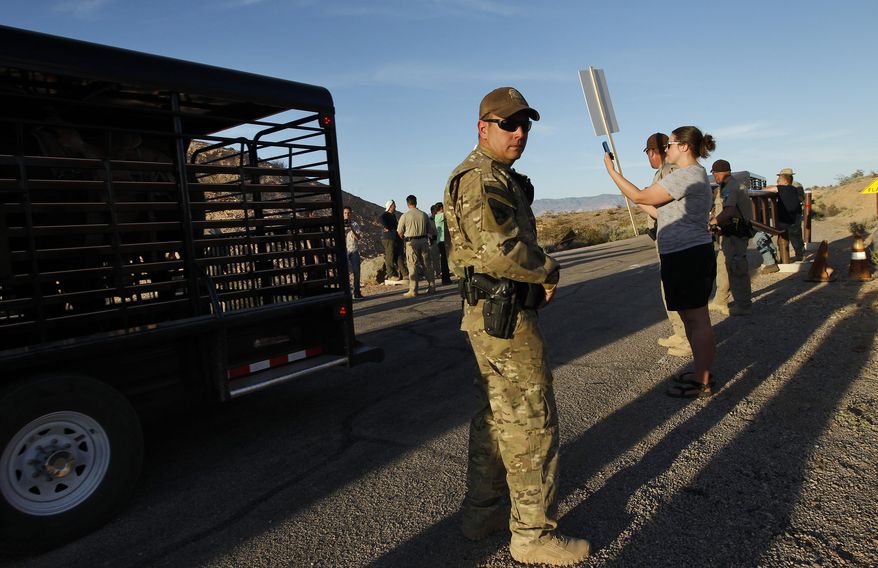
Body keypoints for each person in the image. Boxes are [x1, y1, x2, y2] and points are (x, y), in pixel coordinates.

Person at [444, 86, 590, 565]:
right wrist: (548, 269)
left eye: (524, 123)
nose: (520, 132)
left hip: (491, 315)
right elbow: (499, 251)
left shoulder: (494, 176)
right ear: (483, 127)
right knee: (530, 422)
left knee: (494, 418)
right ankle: (533, 536)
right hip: (503, 316)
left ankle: (481, 514)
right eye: (509, 124)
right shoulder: (482, 178)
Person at [604, 125, 717, 398]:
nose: (667, 148)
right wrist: (629, 194)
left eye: (671, 144)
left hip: (688, 255)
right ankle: (700, 371)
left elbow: (642, 196)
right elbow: (656, 212)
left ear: (684, 147)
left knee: (698, 318)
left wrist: (612, 172)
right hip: (681, 255)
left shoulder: (688, 175)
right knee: (690, 318)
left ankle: (702, 380)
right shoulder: (687, 175)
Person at [643, 133, 689, 357]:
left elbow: (662, 209)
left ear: (653, 152)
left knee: (676, 287)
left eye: (649, 153)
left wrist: (639, 199)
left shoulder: (669, 173)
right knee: (670, 287)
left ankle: (686, 338)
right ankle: (680, 332)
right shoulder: (665, 172)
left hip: (673, 238)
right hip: (669, 237)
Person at [708, 160, 752, 316]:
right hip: (728, 234)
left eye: (713, 174)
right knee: (723, 265)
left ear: (717, 173)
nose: (714, 177)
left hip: (735, 234)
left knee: (737, 268)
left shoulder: (730, 187)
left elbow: (729, 211)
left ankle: (744, 305)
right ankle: (720, 299)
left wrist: (712, 222)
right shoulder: (729, 186)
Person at [397, 194, 436, 298]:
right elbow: (430, 230)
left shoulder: (405, 216)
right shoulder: (424, 215)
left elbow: (400, 232)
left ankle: (413, 289)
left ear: (407, 203)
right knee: (427, 264)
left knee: (412, 265)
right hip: (423, 240)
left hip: (411, 242)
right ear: (416, 202)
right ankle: (432, 286)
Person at [764, 168, 805, 261]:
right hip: (794, 214)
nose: (778, 179)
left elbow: (800, 198)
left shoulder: (788, 186)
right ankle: (798, 255)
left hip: (789, 215)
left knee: (791, 236)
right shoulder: (796, 186)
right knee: (796, 236)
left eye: (780, 177)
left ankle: (786, 257)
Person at [379, 200, 408, 281]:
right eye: (394, 206)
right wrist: (386, 226)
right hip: (388, 238)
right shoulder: (385, 215)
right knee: (390, 256)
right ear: (390, 206)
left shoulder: (393, 216)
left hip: (395, 238)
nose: (395, 207)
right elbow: (381, 218)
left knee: (399, 256)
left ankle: (405, 274)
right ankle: (391, 275)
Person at [342, 206, 364, 299]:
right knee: (344, 273)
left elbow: (358, 238)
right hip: (344, 251)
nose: (347, 215)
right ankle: (345, 293)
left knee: (357, 272)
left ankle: (357, 292)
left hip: (354, 250)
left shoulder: (355, 224)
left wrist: (351, 228)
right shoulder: (339, 224)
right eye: (345, 213)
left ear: (351, 214)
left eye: (348, 213)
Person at [433, 201, 453, 284]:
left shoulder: (436, 216)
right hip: (443, 241)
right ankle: (446, 279)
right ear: (441, 208)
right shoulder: (440, 216)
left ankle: (446, 279)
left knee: (444, 260)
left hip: (440, 241)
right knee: (445, 260)